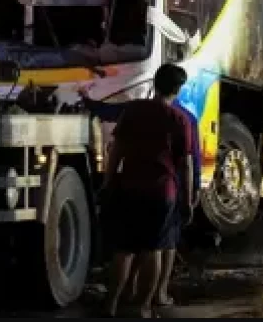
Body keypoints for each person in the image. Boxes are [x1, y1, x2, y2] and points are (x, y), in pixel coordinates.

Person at [81, 81, 203, 310]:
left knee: (124, 249)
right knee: (155, 248)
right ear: (178, 89)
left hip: (129, 187)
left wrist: (108, 183)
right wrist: (190, 196)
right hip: (163, 192)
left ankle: (112, 302)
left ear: (155, 85)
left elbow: (117, 148)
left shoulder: (133, 110)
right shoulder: (183, 118)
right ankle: (147, 303)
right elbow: (189, 161)